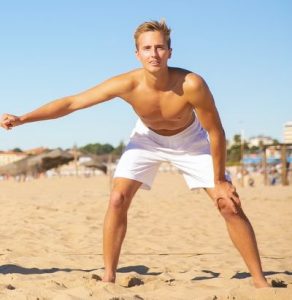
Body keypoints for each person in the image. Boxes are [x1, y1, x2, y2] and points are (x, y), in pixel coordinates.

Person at [0, 20, 269, 287]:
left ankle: (259, 280)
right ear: (137, 53)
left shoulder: (191, 84)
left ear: (170, 52)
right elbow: (72, 103)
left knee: (229, 205)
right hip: (147, 139)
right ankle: (109, 275)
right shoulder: (127, 84)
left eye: (160, 48)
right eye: (147, 48)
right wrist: (24, 118)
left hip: (190, 141)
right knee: (117, 198)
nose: (154, 54)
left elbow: (216, 131)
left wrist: (221, 179)